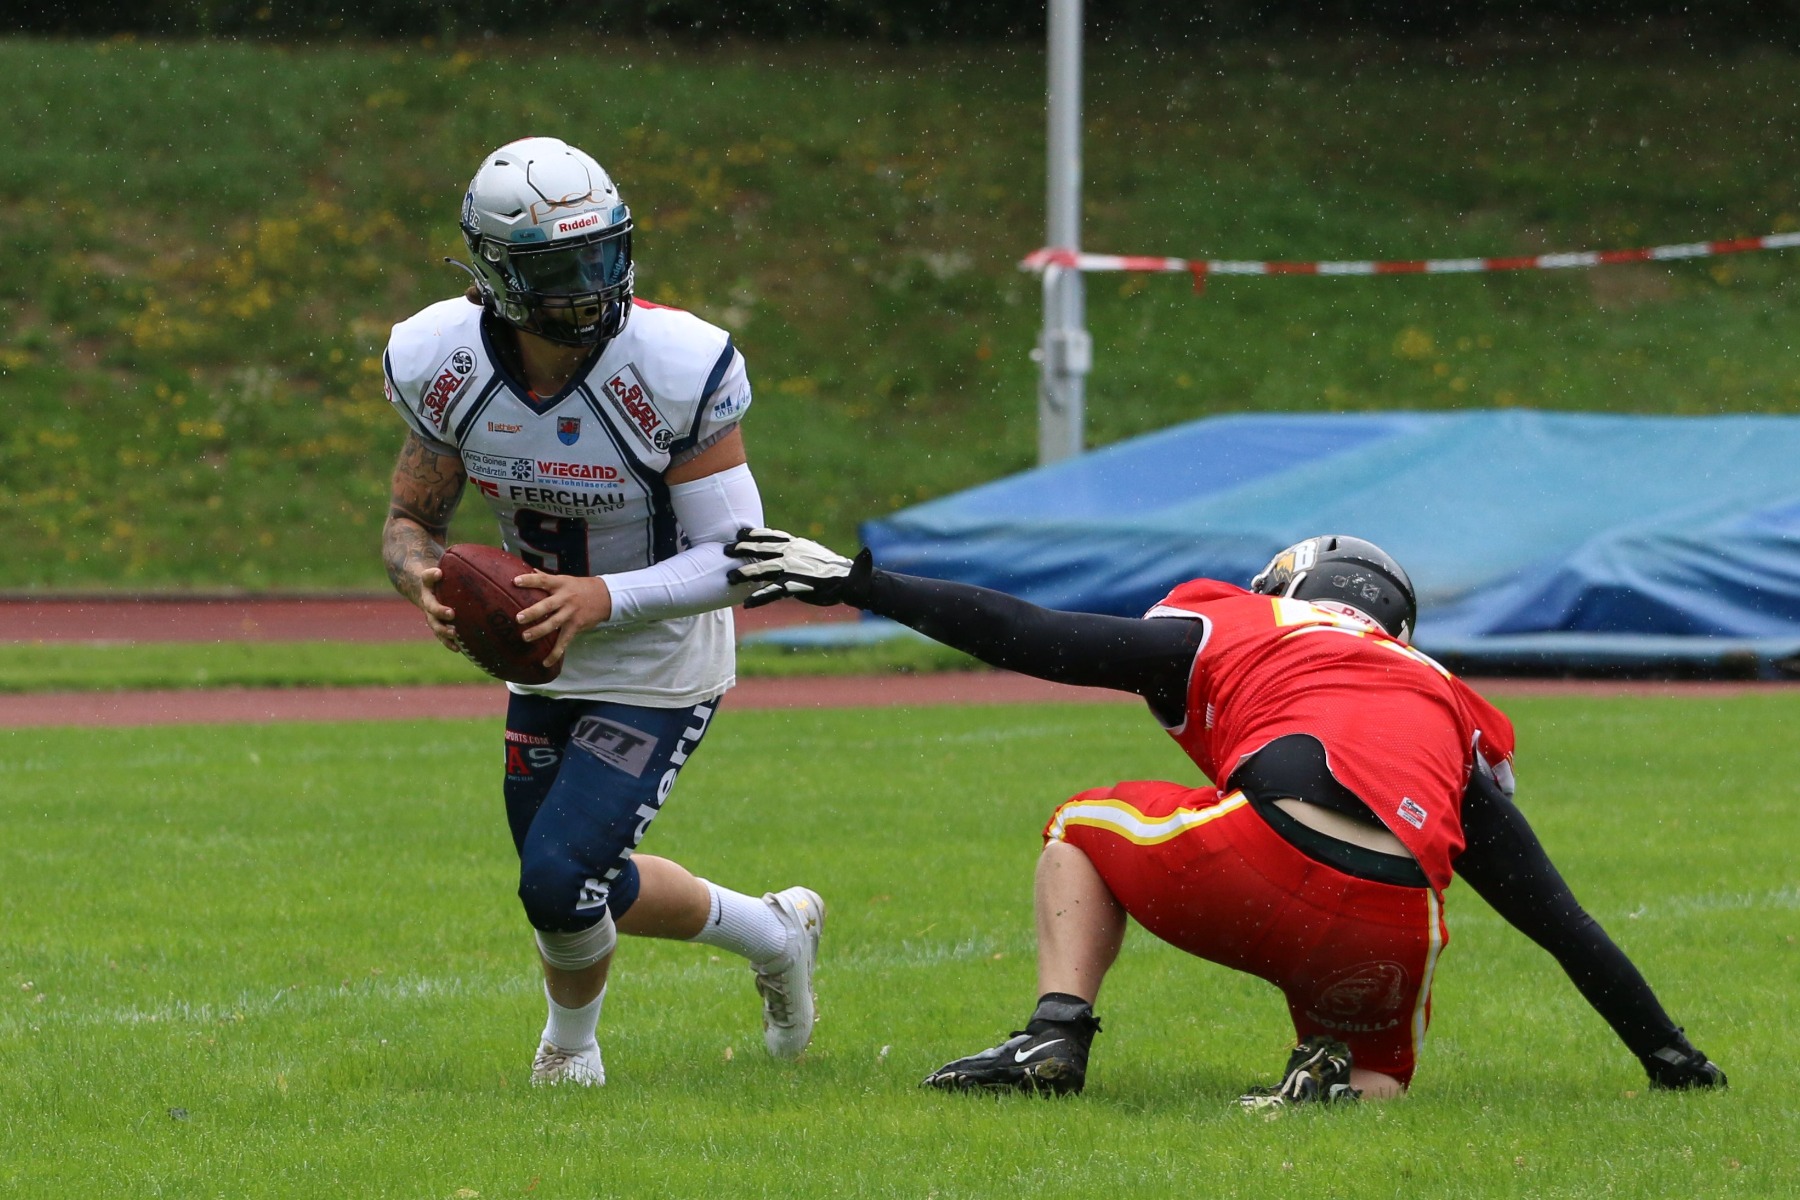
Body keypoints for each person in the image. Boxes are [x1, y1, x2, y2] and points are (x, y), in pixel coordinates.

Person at [724, 529, 1726, 1104]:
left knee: (1081, 825)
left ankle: (1053, 1037)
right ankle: (1329, 1084)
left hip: (1255, 862)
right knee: (1377, 1090)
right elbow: (1558, 918)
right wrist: (1668, 1055)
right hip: (1393, 918)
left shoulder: (1240, 622)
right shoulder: (1442, 699)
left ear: (1287, 588)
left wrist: (865, 585)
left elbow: (1037, 636)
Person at [379, 137, 823, 1087]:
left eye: (601, 255)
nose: (588, 287)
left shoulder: (671, 362)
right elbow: (411, 519)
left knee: (554, 879)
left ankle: (567, 1056)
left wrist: (603, 597)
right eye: (558, 266)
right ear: (494, 271)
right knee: (581, 881)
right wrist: (419, 575)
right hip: (542, 644)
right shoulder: (441, 361)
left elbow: (744, 560)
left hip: (659, 650)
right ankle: (774, 931)